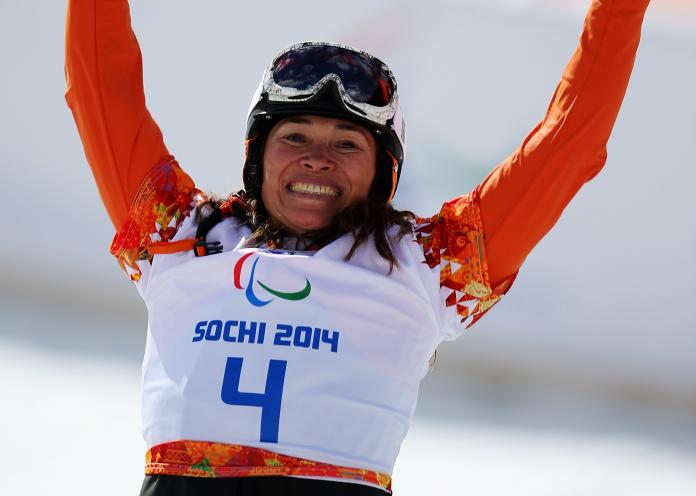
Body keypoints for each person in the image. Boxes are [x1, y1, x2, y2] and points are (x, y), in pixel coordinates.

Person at [64, 0, 650, 494]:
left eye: (347, 143)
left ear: (382, 174)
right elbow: (99, 87)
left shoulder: (428, 265)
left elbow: (570, 142)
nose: (316, 159)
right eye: (293, 136)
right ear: (255, 158)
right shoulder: (177, 234)